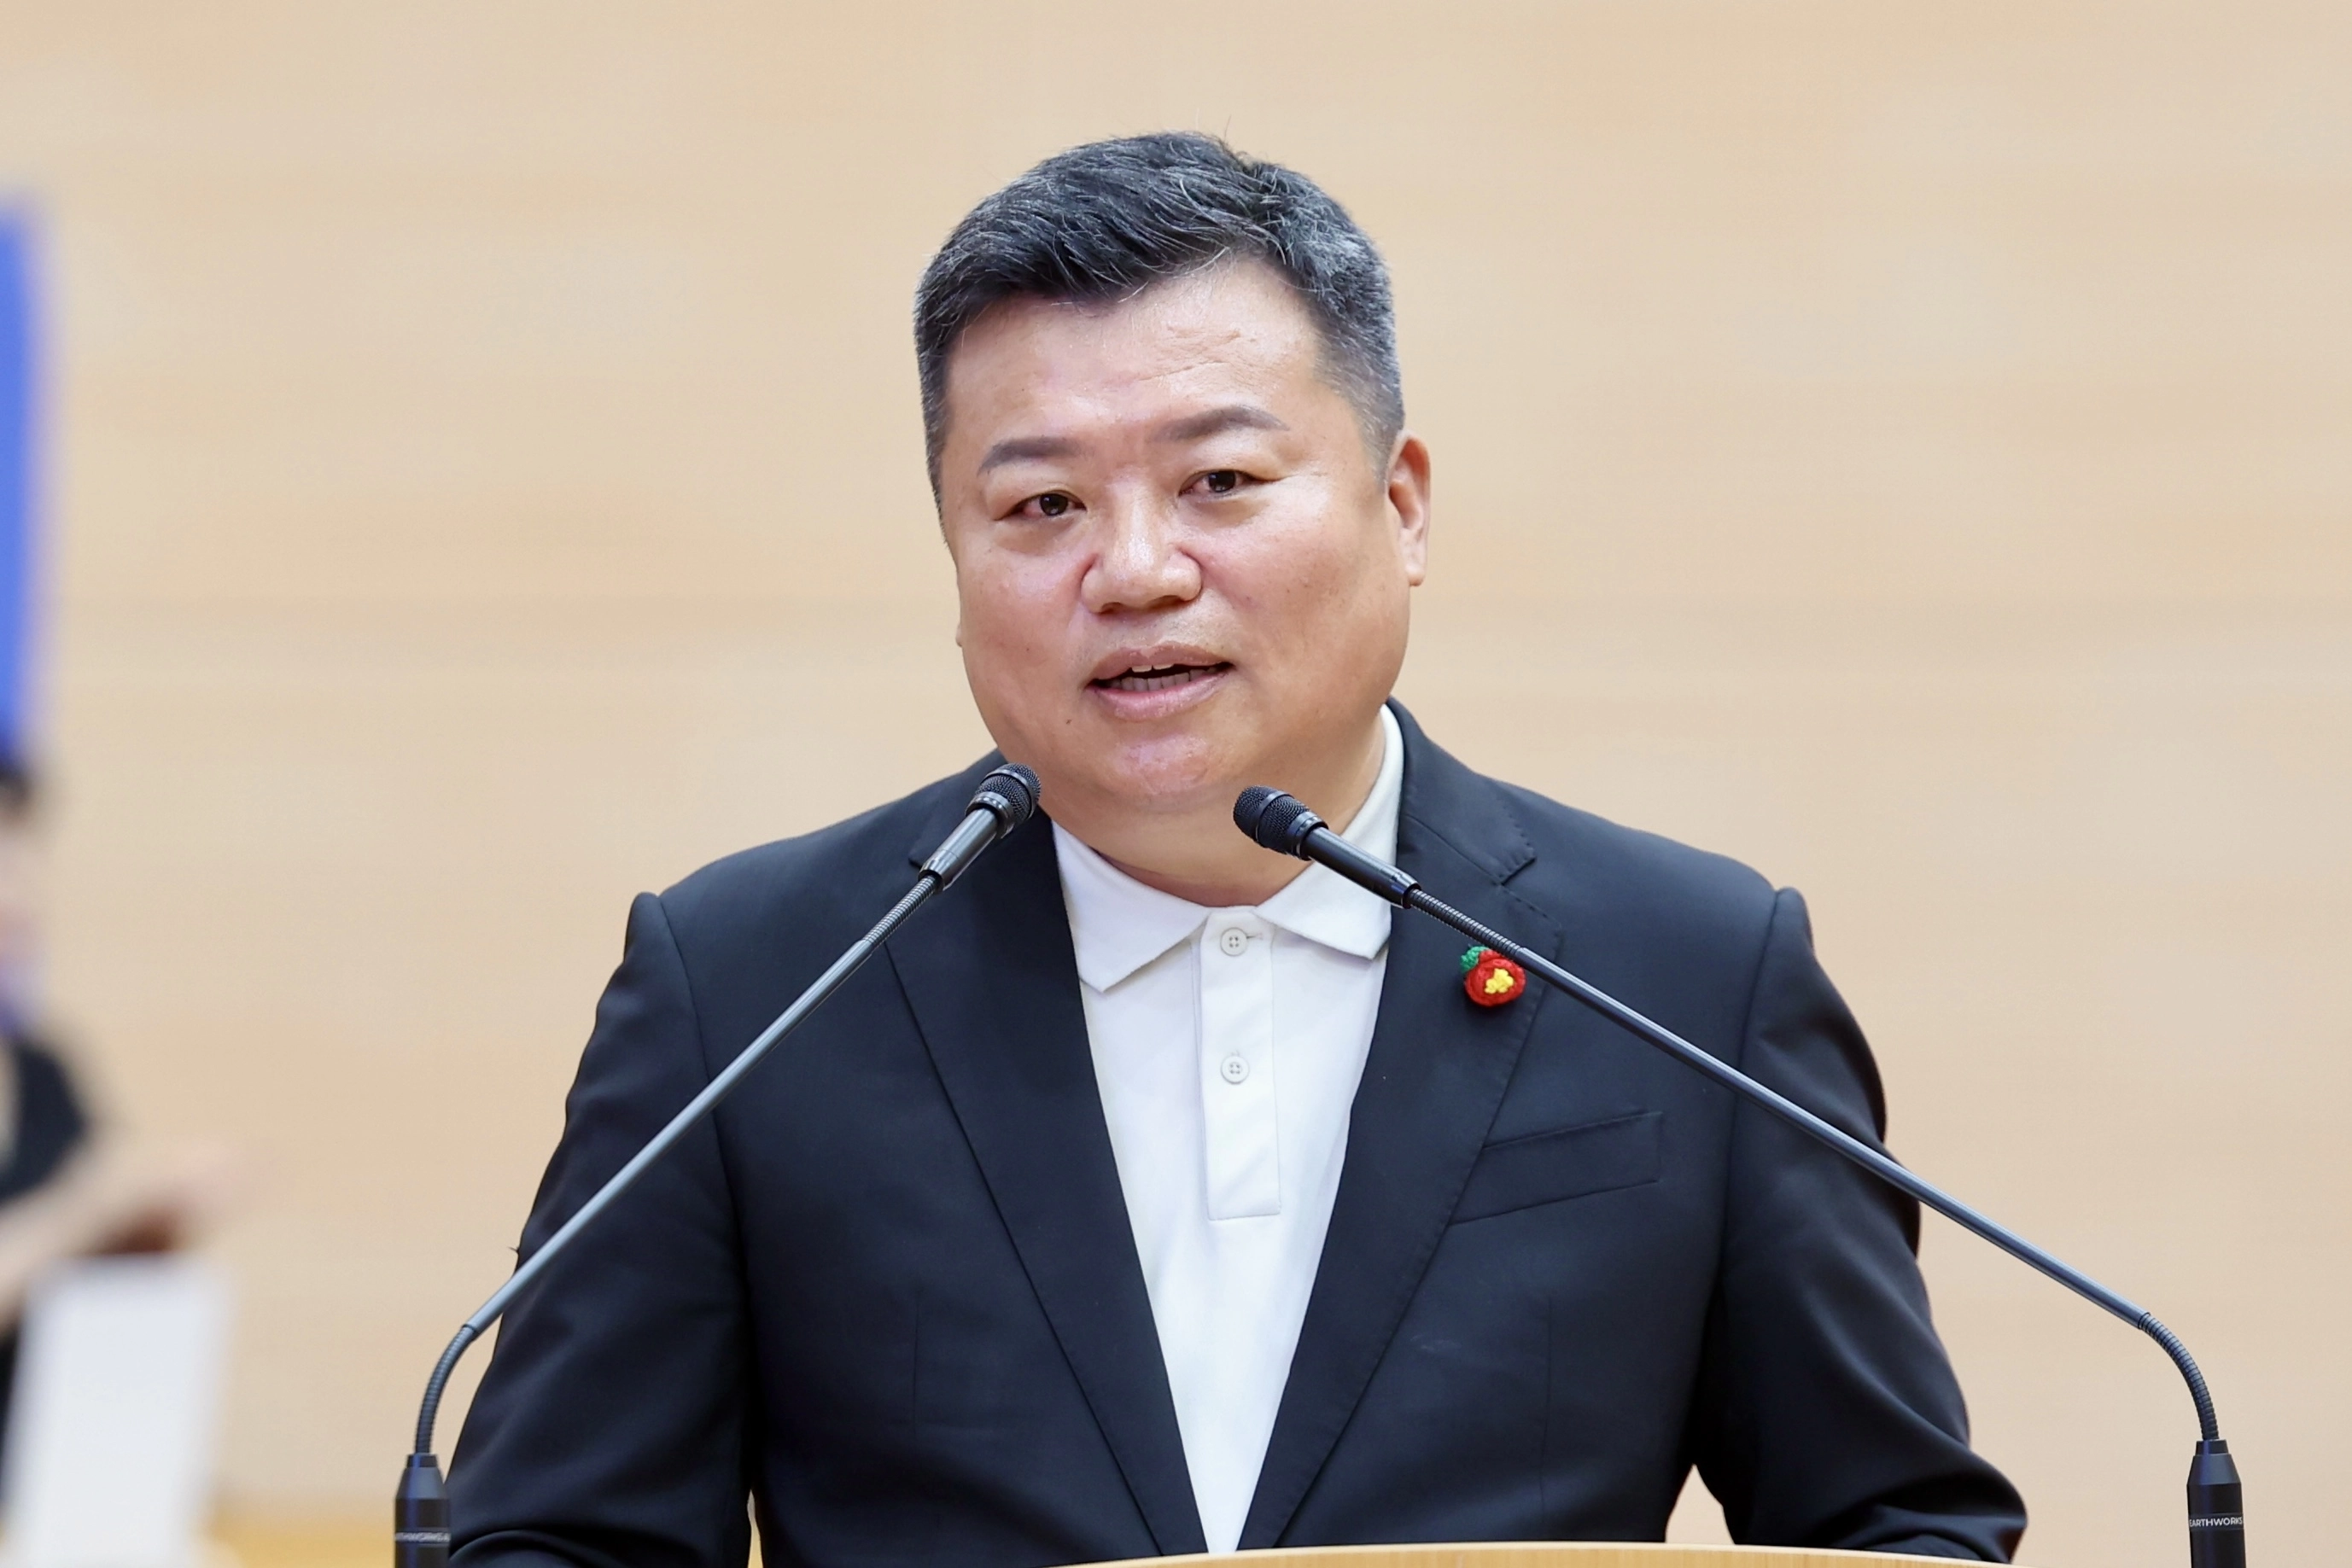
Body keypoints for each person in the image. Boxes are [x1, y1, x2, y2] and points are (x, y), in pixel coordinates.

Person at [449, 134, 2027, 1565]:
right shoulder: (754, 987)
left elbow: (1897, 1531)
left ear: (1401, 507)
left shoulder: (1681, 973)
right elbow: (556, 1545)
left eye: (1219, 482)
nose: (1134, 570)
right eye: (1042, 505)